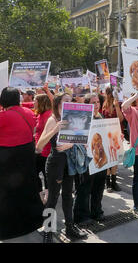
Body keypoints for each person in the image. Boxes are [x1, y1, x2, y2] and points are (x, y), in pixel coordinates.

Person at [0, 88, 44, 240]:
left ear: (3, 99)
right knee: (25, 190)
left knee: (5, 194)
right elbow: (32, 128)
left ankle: (10, 227)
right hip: (26, 154)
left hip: (8, 157)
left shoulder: (5, 116)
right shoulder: (28, 112)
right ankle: (29, 222)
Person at [37, 93, 86, 243]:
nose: (70, 103)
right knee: (52, 198)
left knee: (67, 196)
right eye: (66, 100)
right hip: (55, 164)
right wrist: (55, 130)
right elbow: (39, 146)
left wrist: (72, 144)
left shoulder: (73, 118)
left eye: (71, 100)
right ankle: (48, 232)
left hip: (69, 164)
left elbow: (81, 140)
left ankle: (70, 228)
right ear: (58, 103)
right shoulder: (52, 120)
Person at [72, 93, 107, 224]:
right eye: (93, 103)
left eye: (98, 102)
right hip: (86, 160)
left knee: (98, 187)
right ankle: (81, 216)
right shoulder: (81, 119)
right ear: (86, 105)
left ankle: (97, 212)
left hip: (99, 160)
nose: (96, 105)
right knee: (84, 189)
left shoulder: (101, 117)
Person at [101, 86, 124, 192]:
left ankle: (114, 182)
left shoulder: (118, 104)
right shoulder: (104, 104)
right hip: (106, 135)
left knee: (114, 159)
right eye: (108, 92)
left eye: (110, 92)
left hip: (116, 134)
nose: (109, 94)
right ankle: (108, 183)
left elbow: (121, 119)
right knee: (107, 159)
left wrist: (117, 107)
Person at [34, 94, 53, 192]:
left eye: (35, 101)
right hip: (40, 148)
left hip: (45, 149)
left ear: (41, 102)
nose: (33, 103)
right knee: (40, 172)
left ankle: (47, 195)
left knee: (45, 174)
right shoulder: (41, 114)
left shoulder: (48, 115)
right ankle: (44, 194)